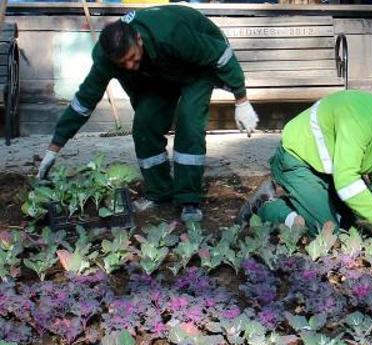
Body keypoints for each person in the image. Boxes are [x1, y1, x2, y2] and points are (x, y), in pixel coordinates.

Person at [35, 5, 258, 222]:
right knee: (144, 125)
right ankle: (159, 193)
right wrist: (54, 148)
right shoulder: (106, 56)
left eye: (132, 58)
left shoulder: (171, 34)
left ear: (139, 40)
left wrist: (241, 100)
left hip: (199, 67)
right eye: (123, 63)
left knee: (189, 124)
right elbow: (84, 100)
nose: (130, 66)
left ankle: (189, 199)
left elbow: (220, 54)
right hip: (161, 70)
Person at [236, 90, 372, 240]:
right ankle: (267, 206)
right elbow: (347, 180)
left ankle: (304, 202)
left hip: (328, 170)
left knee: (349, 224)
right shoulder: (362, 119)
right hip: (297, 160)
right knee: (326, 232)